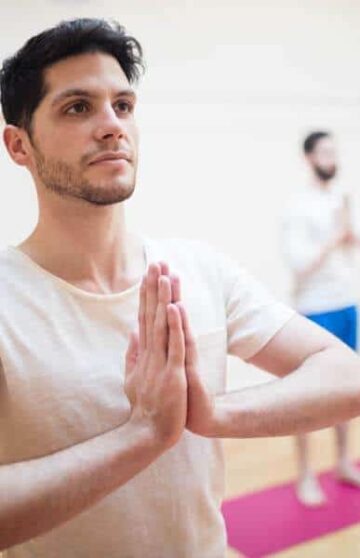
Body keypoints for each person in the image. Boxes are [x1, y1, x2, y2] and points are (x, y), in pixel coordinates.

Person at [1, 19, 360, 558]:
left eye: (122, 106)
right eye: (78, 107)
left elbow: (345, 376)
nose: (111, 125)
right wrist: (142, 434)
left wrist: (213, 415)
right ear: (19, 145)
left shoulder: (198, 267)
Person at [282, 131, 360, 506]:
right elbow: (299, 267)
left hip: (346, 303)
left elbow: (350, 245)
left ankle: (343, 463)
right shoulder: (298, 207)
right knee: (311, 397)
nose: (332, 158)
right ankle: (305, 475)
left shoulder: (338, 199)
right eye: (325, 152)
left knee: (347, 392)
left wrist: (349, 231)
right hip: (315, 309)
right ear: (309, 157)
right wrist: (333, 236)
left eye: (335, 150)